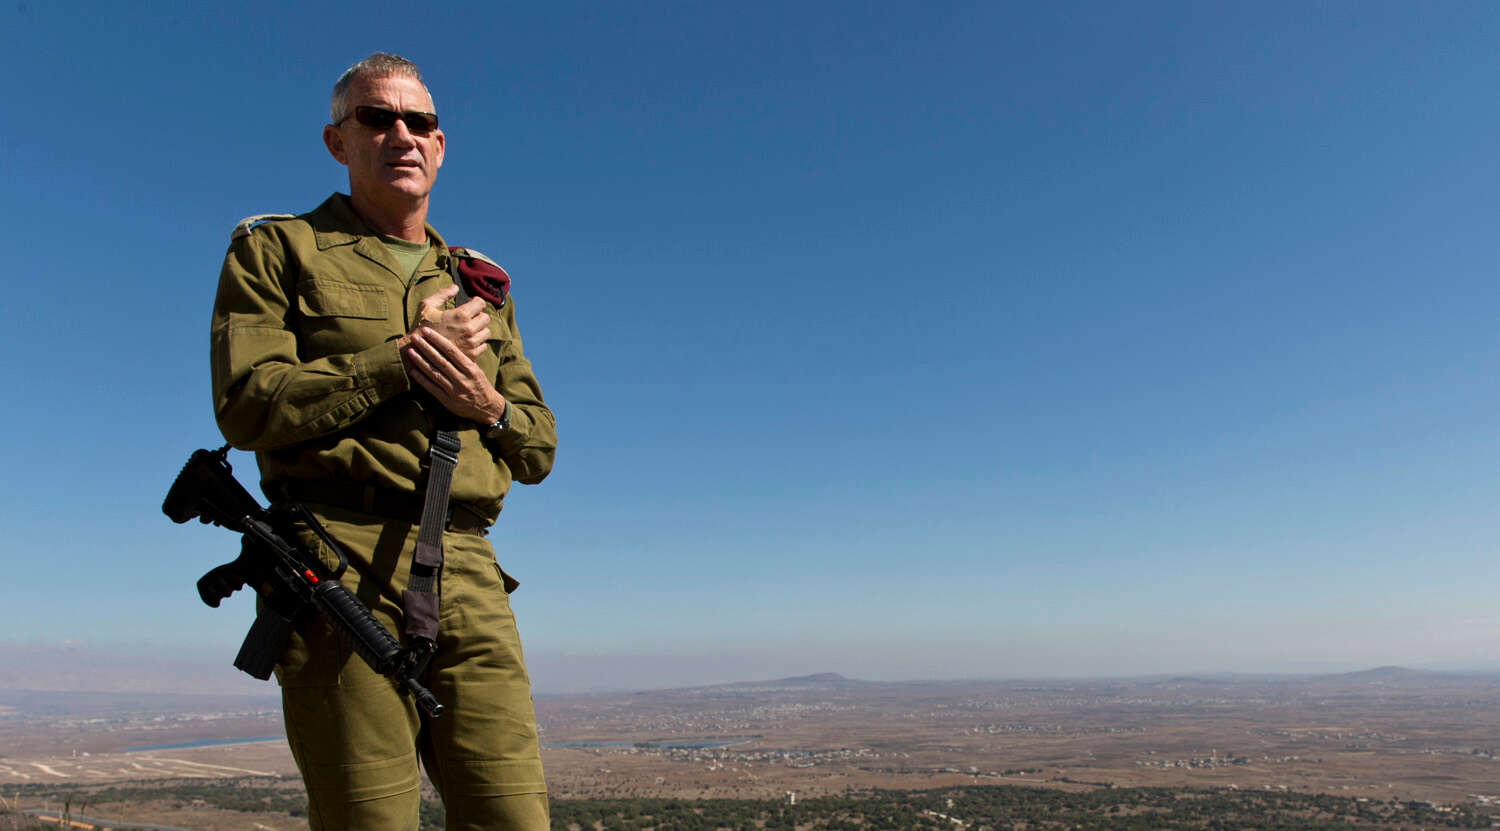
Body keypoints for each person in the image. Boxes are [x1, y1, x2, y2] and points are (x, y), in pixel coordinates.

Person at [209, 52, 556, 830]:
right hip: (336, 559)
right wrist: (406, 358)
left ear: (440, 144)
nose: (402, 134)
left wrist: (487, 405)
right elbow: (247, 405)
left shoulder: (478, 282)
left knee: (514, 816)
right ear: (338, 141)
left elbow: (538, 447)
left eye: (419, 121)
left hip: (468, 566)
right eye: (377, 117)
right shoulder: (280, 250)